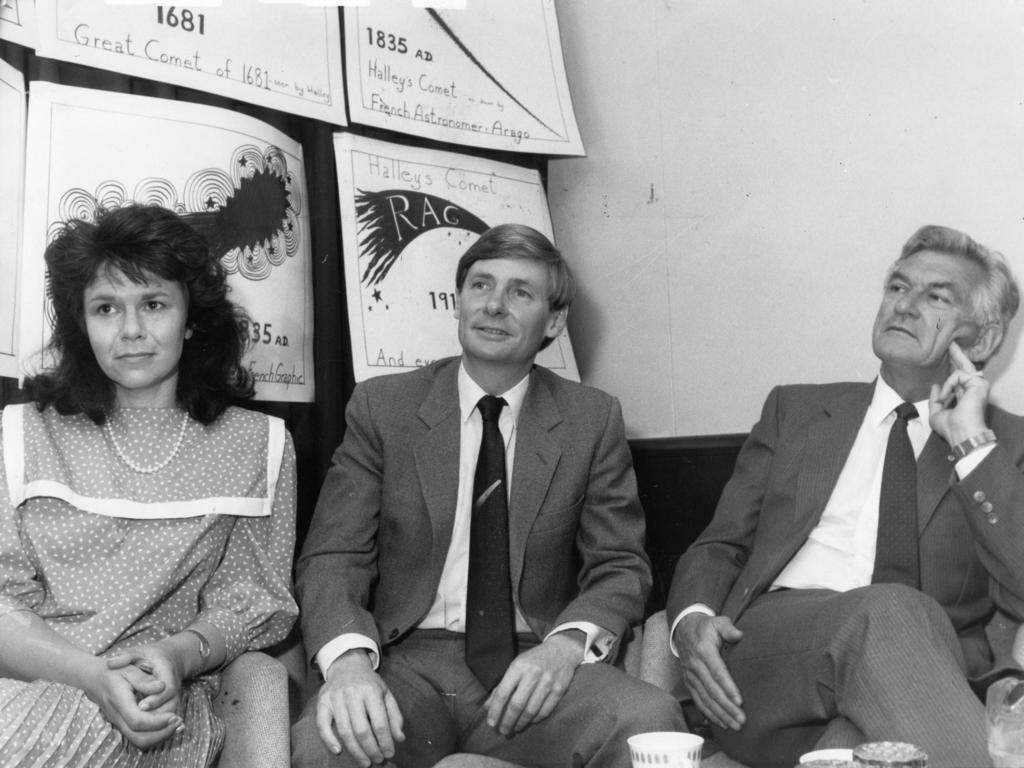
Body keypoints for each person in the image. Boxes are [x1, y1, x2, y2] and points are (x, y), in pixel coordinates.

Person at [293, 223, 686, 768]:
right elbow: (334, 556)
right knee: (323, 744)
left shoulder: (591, 420)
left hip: (532, 667)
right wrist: (348, 664)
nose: (494, 306)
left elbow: (620, 565)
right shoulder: (384, 408)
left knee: (650, 723)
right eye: (481, 285)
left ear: (553, 321)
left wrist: (564, 649)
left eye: (520, 292)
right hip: (406, 662)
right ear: (458, 302)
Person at [667, 224, 1024, 768]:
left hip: (920, 684)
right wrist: (691, 622)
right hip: (773, 659)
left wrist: (971, 445)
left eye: (936, 297)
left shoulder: (1005, 445)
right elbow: (719, 545)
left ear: (982, 340)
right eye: (898, 287)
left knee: (854, 749)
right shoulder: (798, 411)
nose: (903, 306)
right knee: (885, 609)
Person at [0, 204, 298, 767]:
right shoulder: (21, 433)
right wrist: (89, 676)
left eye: (154, 304)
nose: (131, 330)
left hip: (163, 707)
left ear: (190, 318)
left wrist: (176, 657)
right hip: (30, 682)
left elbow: (251, 605)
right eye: (106, 308)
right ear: (81, 323)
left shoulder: (257, 445)